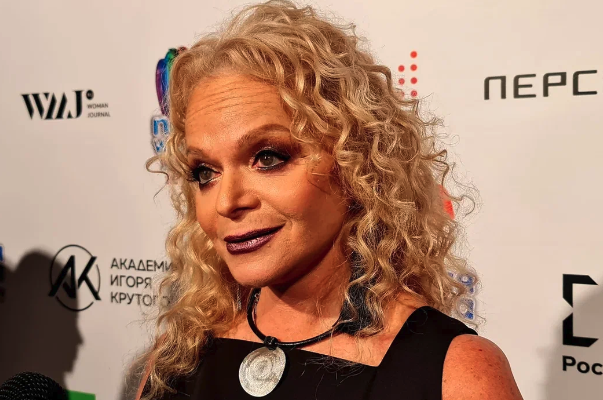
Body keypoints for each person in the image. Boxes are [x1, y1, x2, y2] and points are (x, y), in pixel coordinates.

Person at [137, 1, 523, 399]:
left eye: (268, 158)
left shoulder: (455, 373)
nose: (226, 202)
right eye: (205, 172)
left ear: (356, 163)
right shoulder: (179, 354)